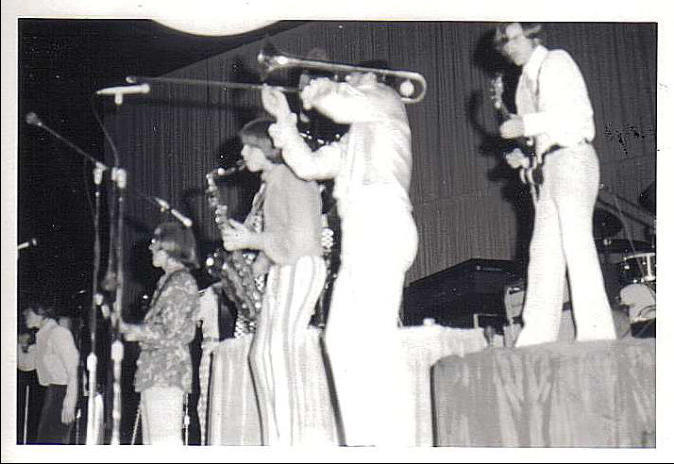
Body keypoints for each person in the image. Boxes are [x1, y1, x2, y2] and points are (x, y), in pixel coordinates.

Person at [261, 68, 418, 446]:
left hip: (381, 221)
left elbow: (339, 103)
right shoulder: (356, 137)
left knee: (373, 337)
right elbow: (309, 166)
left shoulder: (386, 100)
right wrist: (284, 118)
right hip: (361, 233)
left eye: (353, 78)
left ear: (372, 78)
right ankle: (363, 441)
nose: (347, 81)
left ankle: (394, 442)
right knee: (339, 339)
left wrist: (319, 91)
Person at [493, 22, 616, 346]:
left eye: (515, 38)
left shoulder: (557, 61)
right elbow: (541, 139)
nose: (509, 47)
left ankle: (597, 334)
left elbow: (574, 116)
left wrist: (525, 124)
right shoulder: (522, 87)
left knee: (576, 244)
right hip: (550, 165)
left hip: (575, 157)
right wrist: (525, 159)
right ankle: (535, 339)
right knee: (543, 252)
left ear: (533, 35)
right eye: (505, 43)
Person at [220, 118, 326, 445]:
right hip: (288, 267)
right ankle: (279, 440)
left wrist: (249, 240)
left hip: (298, 267)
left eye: (249, 146)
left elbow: (299, 239)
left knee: (272, 355)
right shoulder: (274, 181)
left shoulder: (285, 176)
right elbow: (280, 238)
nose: (243, 152)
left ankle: (287, 441)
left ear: (268, 148)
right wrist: (251, 272)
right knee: (264, 355)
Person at [116, 221, 199, 444]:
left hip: (166, 374)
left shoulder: (181, 282)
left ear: (170, 247)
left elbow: (170, 331)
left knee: (164, 444)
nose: (151, 248)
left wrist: (135, 331)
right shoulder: (167, 281)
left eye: (156, 243)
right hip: (156, 373)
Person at [22, 304, 79, 444]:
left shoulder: (58, 333)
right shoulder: (42, 335)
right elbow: (27, 364)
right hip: (52, 393)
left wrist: (70, 402)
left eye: (28, 311)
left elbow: (73, 369)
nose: (24, 314)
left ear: (40, 311)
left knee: (52, 444)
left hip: (63, 394)